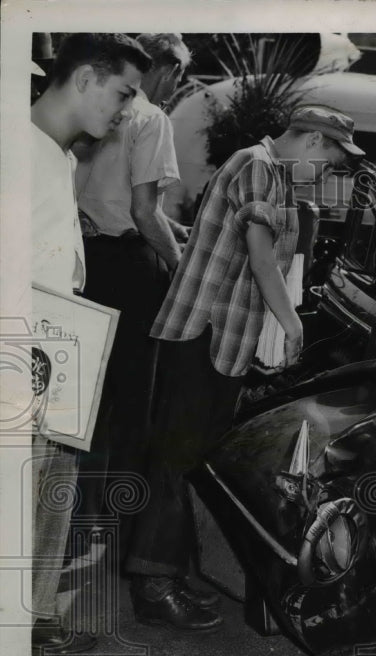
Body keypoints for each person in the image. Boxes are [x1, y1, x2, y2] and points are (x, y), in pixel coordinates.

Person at [126, 105, 364, 631]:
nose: (325, 176)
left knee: (190, 455)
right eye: (328, 163)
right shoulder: (256, 165)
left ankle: (171, 574)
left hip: (221, 340)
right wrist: (292, 324)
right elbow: (259, 256)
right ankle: (153, 585)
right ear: (312, 143)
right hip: (202, 334)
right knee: (174, 455)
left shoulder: (272, 174)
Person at [30, 32, 151, 656]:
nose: (129, 109)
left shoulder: (55, 153)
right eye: (123, 92)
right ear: (84, 77)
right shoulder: (18, 148)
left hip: (52, 346)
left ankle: (18, 646)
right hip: (25, 353)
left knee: (52, 499)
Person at [73, 33, 192, 560]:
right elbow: (143, 214)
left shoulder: (95, 111)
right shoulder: (151, 119)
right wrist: (183, 262)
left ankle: (75, 518)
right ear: (163, 68)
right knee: (132, 404)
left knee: (83, 402)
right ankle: (118, 530)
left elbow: (122, 200)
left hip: (83, 258)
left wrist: (179, 232)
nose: (179, 84)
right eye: (180, 72)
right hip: (128, 267)